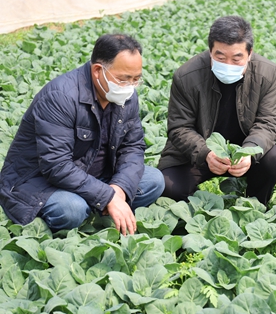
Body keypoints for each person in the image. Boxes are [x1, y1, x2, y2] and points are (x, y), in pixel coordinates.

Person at [0, 34, 165, 235]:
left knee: (154, 180)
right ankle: (98, 210)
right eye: (123, 79)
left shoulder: (127, 96)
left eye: (136, 79)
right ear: (97, 70)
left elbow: (133, 147)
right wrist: (108, 196)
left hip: (96, 175)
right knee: (71, 209)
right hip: (41, 181)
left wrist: (119, 189)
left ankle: (99, 208)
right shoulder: (61, 97)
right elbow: (56, 165)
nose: (130, 86)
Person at [158, 15, 276, 205]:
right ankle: (194, 209)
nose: (228, 65)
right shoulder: (186, 76)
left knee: (272, 158)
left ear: (250, 54)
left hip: (242, 150)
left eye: (237, 58)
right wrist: (205, 153)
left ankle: (256, 206)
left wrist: (248, 152)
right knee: (167, 186)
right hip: (199, 151)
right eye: (220, 57)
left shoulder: (266, 72)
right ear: (210, 51)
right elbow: (179, 128)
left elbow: (269, 121)